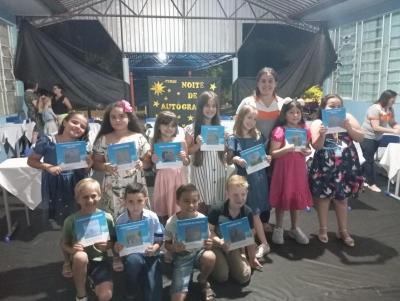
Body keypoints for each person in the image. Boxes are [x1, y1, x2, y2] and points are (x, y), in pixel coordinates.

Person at [27, 111, 92, 278]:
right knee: (65, 227)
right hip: (57, 187)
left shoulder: (81, 145)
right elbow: (31, 160)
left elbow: (84, 170)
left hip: (77, 186)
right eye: (75, 122)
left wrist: (88, 165)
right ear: (65, 122)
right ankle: (66, 260)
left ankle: (81, 257)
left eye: (83, 126)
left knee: (81, 224)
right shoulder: (48, 141)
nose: (78, 127)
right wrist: (48, 167)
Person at [309, 94, 364, 247]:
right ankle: (323, 229)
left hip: (345, 165)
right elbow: (317, 146)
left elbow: (361, 138)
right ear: (323, 107)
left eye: (339, 106)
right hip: (324, 166)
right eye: (332, 106)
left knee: (342, 199)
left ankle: (343, 230)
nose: (336, 108)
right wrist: (322, 133)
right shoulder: (318, 122)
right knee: (324, 198)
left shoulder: (348, 118)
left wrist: (349, 128)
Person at [93, 100, 152, 218]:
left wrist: (142, 164)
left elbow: (148, 162)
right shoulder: (103, 139)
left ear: (129, 117)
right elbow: (95, 163)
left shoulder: (139, 137)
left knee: (138, 215)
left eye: (121, 116)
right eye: (113, 117)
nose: (117, 120)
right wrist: (105, 166)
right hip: (113, 186)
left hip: (135, 183)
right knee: (115, 217)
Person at [227, 104, 271, 258]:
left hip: (258, 178)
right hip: (243, 180)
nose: (251, 121)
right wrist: (236, 159)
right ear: (241, 117)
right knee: (247, 211)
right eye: (249, 117)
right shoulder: (234, 138)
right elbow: (229, 157)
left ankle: (263, 244)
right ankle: (248, 244)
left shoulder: (258, 136)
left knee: (255, 211)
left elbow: (263, 156)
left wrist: (268, 158)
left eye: (254, 119)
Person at [61, 178, 114, 301]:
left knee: (106, 296)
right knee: (81, 257)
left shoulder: (107, 217)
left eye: (93, 196)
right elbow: (64, 243)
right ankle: (81, 295)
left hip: (100, 261)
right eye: (85, 197)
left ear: (100, 196)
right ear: (77, 199)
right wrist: (72, 250)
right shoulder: (71, 220)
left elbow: (113, 241)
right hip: (80, 260)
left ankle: (91, 280)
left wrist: (107, 246)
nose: (90, 200)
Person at [269, 98, 313, 245]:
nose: (295, 115)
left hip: (298, 170)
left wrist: (306, 151)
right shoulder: (279, 130)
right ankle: (279, 228)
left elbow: (306, 148)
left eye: (298, 112)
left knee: (296, 198)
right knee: (283, 197)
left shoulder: (304, 129)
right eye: (291, 112)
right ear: (285, 114)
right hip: (283, 170)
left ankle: (294, 228)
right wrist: (286, 149)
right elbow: (273, 153)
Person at [164, 183, 216, 301]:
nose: (191, 205)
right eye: (186, 201)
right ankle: (181, 281)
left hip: (199, 253)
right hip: (181, 257)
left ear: (198, 201)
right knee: (177, 298)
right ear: (178, 202)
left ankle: (203, 280)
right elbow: (166, 244)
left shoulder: (202, 218)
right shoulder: (172, 222)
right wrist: (174, 248)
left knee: (210, 257)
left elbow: (207, 240)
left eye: (194, 201)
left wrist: (209, 244)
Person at [208, 175, 262, 284]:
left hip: (234, 246)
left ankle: (238, 256)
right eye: (235, 195)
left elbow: (250, 236)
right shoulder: (217, 209)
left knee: (244, 277)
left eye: (243, 194)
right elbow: (209, 231)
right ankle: (217, 260)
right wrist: (220, 242)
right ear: (227, 194)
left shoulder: (247, 212)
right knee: (222, 276)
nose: (240, 198)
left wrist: (252, 258)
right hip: (217, 245)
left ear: (247, 193)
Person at [114, 183, 164, 301]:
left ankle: (144, 277)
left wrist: (155, 247)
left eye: (139, 201)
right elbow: (118, 246)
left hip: (151, 255)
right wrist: (117, 248)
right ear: (124, 201)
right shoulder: (120, 220)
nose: (135, 206)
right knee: (133, 262)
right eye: (130, 202)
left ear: (145, 201)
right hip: (133, 256)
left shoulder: (152, 217)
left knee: (153, 295)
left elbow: (159, 238)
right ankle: (131, 289)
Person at [184, 91, 226, 213]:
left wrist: (226, 144)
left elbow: (224, 152)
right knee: (201, 204)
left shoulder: (221, 127)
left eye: (214, 106)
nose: (210, 109)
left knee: (217, 204)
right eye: (207, 106)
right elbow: (187, 152)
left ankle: (214, 229)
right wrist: (197, 145)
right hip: (201, 170)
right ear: (201, 107)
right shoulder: (191, 128)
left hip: (218, 170)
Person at [151, 111, 190, 223]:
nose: (169, 128)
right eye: (166, 125)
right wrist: (154, 161)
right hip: (162, 178)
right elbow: (155, 168)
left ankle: (178, 229)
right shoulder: (155, 142)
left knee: (177, 204)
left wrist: (184, 158)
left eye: (173, 125)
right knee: (163, 206)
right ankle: (165, 231)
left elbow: (187, 162)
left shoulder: (180, 141)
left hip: (177, 178)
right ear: (158, 126)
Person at [360, 90, 400, 192]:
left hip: (377, 138)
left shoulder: (389, 109)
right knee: (369, 160)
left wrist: (397, 127)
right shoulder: (374, 109)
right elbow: (376, 127)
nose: (393, 103)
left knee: (367, 158)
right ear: (385, 99)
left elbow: (392, 122)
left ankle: (360, 178)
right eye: (392, 100)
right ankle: (371, 182)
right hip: (367, 137)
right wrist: (393, 131)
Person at [236, 67, 282, 143]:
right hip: (251, 151)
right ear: (258, 83)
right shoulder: (247, 102)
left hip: (276, 151)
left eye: (270, 81)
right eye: (263, 81)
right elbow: (237, 126)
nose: (267, 84)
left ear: (275, 84)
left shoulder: (282, 103)